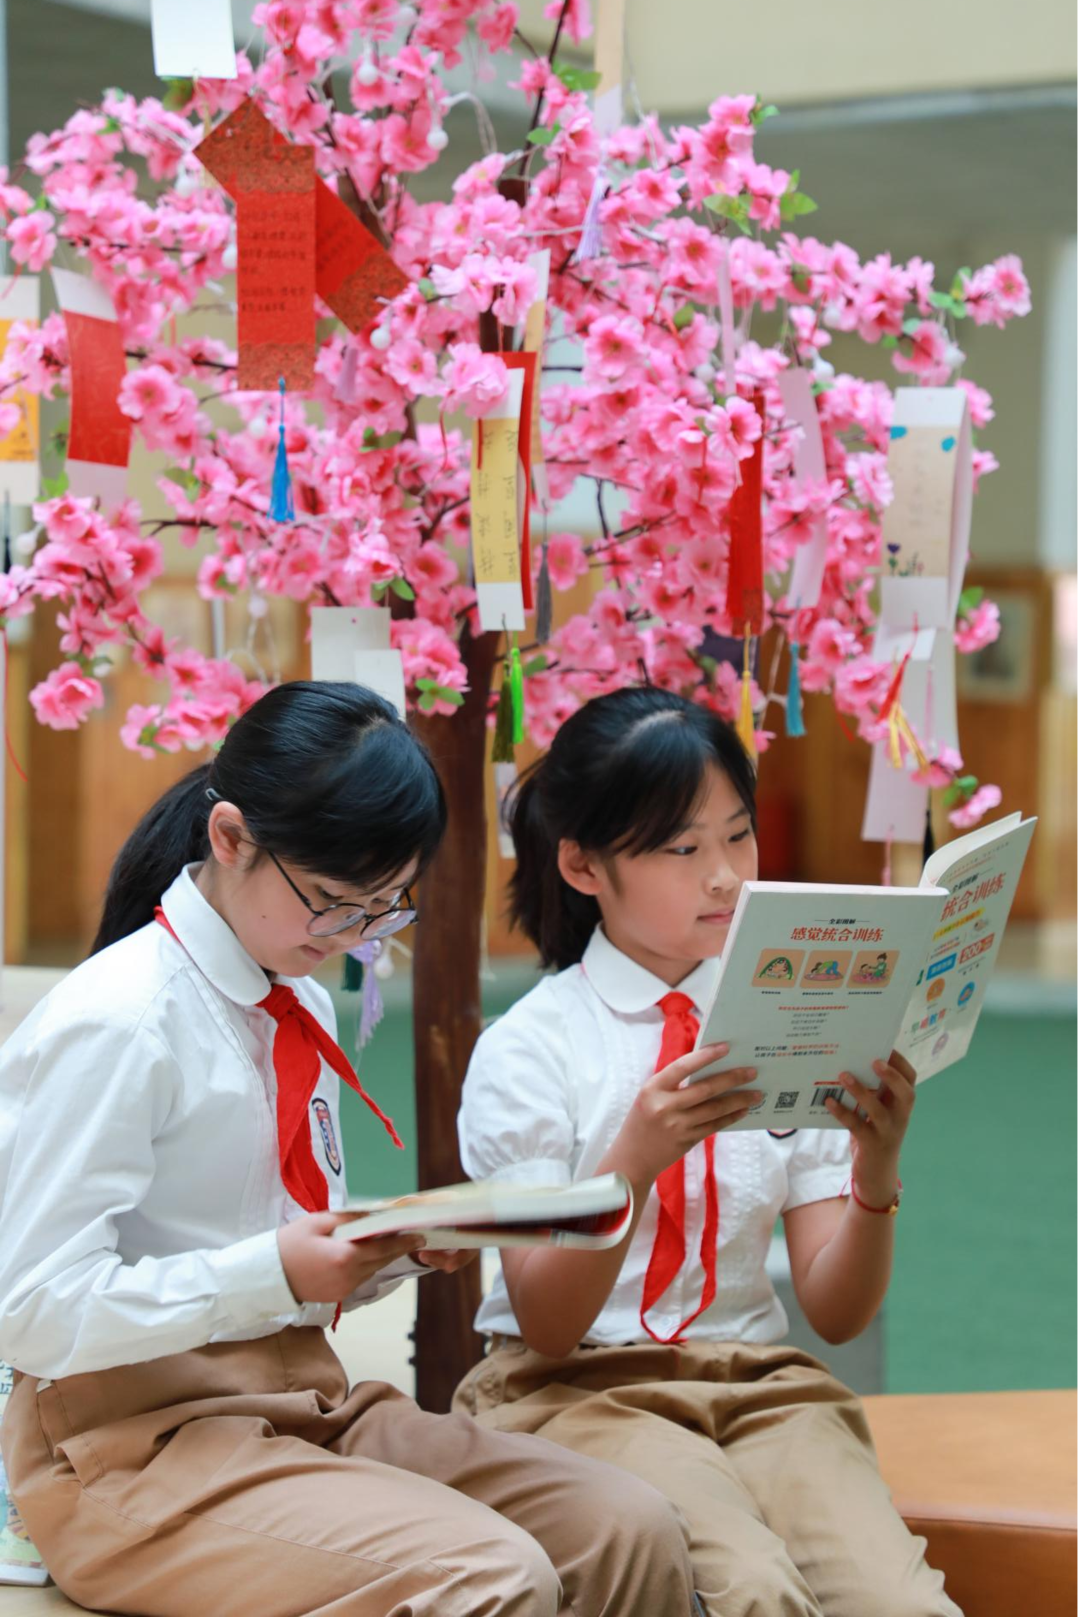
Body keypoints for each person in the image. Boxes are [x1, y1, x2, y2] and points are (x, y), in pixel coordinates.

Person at [0, 680, 695, 1617]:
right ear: (231, 838)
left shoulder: (297, 1000)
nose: (356, 936)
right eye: (333, 903)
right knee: (491, 1573)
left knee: (625, 1523)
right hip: (126, 1449)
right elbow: (30, 1310)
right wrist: (276, 1270)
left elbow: (279, 1263)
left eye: (385, 907)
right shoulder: (121, 1020)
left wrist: (390, 1251)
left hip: (298, 1407)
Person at [454, 686, 962, 1617]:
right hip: (574, 1387)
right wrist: (634, 1160)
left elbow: (836, 1312)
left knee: (904, 1607)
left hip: (761, 1384)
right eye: (683, 849)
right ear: (582, 863)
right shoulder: (531, 1049)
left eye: (739, 834)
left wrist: (875, 1169)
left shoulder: (798, 1016)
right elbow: (548, 1323)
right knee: (753, 1594)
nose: (727, 876)